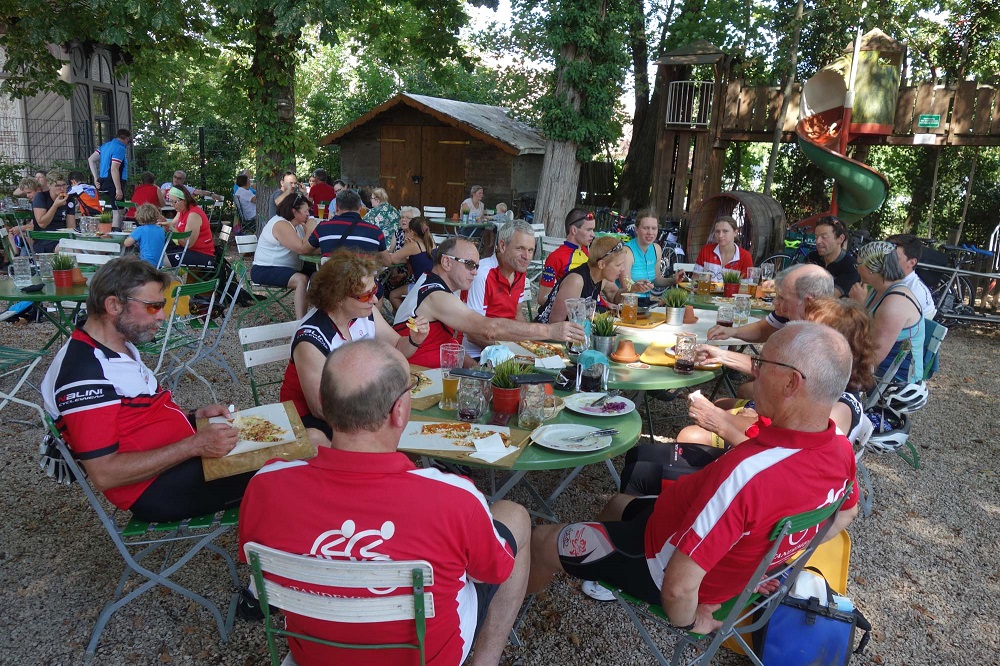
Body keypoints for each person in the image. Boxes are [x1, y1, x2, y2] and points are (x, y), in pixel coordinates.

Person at [528, 323, 859, 635]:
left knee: (541, 540)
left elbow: (679, 587)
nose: (753, 370)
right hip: (677, 530)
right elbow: (845, 513)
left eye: (761, 362)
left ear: (791, 384)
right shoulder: (841, 449)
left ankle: (503, 610)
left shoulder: (749, 473)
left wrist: (690, 621)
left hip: (659, 563)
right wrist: (764, 563)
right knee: (618, 503)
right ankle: (599, 571)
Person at [243, 339, 529, 666]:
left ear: (324, 402)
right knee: (515, 516)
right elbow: (488, 573)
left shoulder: (266, 485)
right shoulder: (456, 498)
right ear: (400, 411)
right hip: (429, 657)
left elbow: (257, 569)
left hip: (314, 655)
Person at [40, 256, 251, 522]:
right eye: (153, 307)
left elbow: (135, 417)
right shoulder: (85, 374)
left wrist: (194, 416)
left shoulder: (115, 347)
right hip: (158, 490)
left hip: (177, 466)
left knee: (295, 437)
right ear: (113, 305)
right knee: (294, 456)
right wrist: (193, 445)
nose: (162, 316)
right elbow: (105, 473)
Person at [677, 297, 876, 451]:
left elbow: (787, 462)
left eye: (808, 329)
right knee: (721, 403)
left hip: (761, 466)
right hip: (763, 439)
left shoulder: (838, 410)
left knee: (689, 436)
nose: (797, 330)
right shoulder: (822, 377)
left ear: (835, 345)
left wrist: (721, 424)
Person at [280, 250, 429, 444]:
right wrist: (376, 416)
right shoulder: (310, 339)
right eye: (366, 296)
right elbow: (320, 408)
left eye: (375, 291)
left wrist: (413, 339)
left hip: (357, 406)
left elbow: (398, 349)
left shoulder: (366, 313)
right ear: (338, 298)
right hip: (311, 420)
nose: (375, 300)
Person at [392, 237, 586, 368]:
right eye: (469, 265)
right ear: (447, 263)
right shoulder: (436, 295)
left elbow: (448, 343)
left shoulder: (444, 287)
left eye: (476, 266)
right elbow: (487, 328)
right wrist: (550, 331)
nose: (475, 272)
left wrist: (477, 370)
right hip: (419, 380)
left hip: (437, 375)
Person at [852, 241, 925, 382]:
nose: (856, 268)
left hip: (896, 379)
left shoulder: (895, 304)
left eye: (858, 264)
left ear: (871, 269)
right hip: (882, 367)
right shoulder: (877, 289)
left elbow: (873, 358)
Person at [463, 220, 535, 360]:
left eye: (530, 250)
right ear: (502, 246)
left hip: (507, 350)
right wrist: (513, 351)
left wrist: (532, 346)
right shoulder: (482, 274)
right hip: (477, 356)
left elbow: (517, 315)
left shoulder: (519, 270)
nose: (526, 256)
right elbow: (473, 334)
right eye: (520, 248)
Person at [707, 263, 834, 342]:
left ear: (808, 301)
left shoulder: (826, 334)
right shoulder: (791, 311)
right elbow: (763, 330)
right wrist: (732, 332)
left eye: (782, 298)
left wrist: (725, 356)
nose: (775, 302)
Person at [536, 235, 647, 324]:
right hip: (544, 338)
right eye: (618, 265)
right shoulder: (576, 281)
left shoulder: (601, 277)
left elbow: (615, 297)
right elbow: (555, 323)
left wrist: (632, 288)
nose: (622, 269)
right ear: (602, 264)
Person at [251, 193, 320, 320]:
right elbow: (302, 248)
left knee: (324, 273)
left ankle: (323, 315)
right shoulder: (280, 224)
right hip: (266, 269)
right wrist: (311, 229)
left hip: (287, 266)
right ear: (294, 211)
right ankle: (301, 322)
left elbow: (310, 247)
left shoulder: (297, 225)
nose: (308, 214)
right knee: (302, 280)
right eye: (305, 211)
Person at [308, 188, 390, 265]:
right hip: (363, 279)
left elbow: (304, 250)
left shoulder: (323, 228)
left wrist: (309, 226)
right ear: (360, 208)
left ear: (336, 207)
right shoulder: (375, 231)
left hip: (333, 279)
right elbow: (387, 262)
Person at [537, 208, 596, 306]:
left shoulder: (585, 251)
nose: (593, 235)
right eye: (589, 230)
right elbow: (543, 298)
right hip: (570, 315)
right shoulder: (555, 257)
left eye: (593, 230)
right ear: (574, 230)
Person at [621, 209, 685, 297]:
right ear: (636, 230)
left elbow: (656, 279)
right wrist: (636, 287)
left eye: (654, 228)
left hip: (647, 301)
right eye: (645, 228)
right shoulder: (627, 251)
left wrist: (673, 280)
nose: (650, 232)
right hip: (629, 303)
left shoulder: (656, 249)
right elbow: (626, 287)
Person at [386, 212, 436, 310]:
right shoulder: (431, 242)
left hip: (422, 286)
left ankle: (406, 318)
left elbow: (393, 259)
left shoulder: (414, 246)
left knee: (393, 295)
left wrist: (407, 247)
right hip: (434, 283)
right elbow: (415, 267)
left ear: (412, 232)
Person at [805, 216, 860, 297]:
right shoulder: (812, 258)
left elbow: (829, 297)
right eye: (816, 237)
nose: (818, 241)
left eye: (824, 237)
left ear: (840, 239)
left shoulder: (851, 266)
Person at [886, 234, 937, 319]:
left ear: (911, 263)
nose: (886, 261)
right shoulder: (891, 280)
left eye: (894, 258)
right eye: (885, 256)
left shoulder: (914, 292)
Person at [87, 128, 131, 227]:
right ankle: (116, 235)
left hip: (103, 180)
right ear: (127, 139)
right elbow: (114, 169)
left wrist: (95, 177)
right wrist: (118, 189)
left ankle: (116, 223)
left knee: (119, 209)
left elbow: (91, 159)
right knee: (117, 213)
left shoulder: (105, 146)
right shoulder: (120, 148)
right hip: (114, 182)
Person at [164, 186, 215, 267]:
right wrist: (162, 222)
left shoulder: (193, 215)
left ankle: (170, 278)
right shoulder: (181, 210)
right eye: (171, 201)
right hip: (186, 249)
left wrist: (171, 228)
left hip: (201, 254)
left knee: (161, 260)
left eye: (175, 202)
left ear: (184, 200)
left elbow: (188, 244)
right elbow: (172, 225)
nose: (172, 205)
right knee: (160, 247)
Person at [694, 216, 754, 281]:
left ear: (735, 232)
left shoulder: (745, 257)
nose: (720, 235)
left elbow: (746, 287)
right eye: (717, 231)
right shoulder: (706, 250)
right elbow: (695, 279)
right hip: (705, 291)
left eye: (725, 231)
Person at [31, 169, 76, 253]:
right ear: (49, 185)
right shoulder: (41, 197)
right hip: (45, 239)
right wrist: (55, 205)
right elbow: (42, 224)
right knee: (72, 250)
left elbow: (71, 226)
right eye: (57, 186)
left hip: (63, 237)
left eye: (64, 185)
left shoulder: (69, 199)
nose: (62, 188)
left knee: (87, 248)